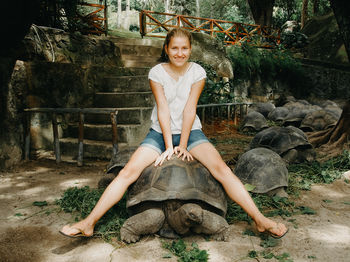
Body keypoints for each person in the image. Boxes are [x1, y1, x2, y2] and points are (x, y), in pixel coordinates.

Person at [59, 28, 288, 239]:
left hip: (193, 132)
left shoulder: (197, 72)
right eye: (175, 48)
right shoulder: (156, 72)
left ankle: (259, 219)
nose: (180, 53)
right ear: (166, 49)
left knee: (222, 170)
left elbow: (190, 109)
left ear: (190, 49)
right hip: (159, 133)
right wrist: (169, 146)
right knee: (127, 172)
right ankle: (89, 222)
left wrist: (184, 144)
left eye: (185, 48)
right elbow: (163, 110)